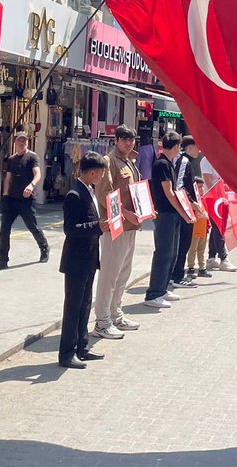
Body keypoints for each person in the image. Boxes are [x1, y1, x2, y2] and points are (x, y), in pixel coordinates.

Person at [92, 125, 143, 339]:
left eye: (131, 139)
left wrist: (143, 210)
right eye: (124, 139)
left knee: (123, 274)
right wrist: (125, 213)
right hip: (116, 226)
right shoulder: (109, 161)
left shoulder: (129, 160)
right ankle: (102, 321)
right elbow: (105, 194)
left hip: (131, 226)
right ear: (116, 140)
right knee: (109, 275)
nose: (129, 143)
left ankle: (115, 314)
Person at [58, 152, 108, 369]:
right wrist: (97, 226)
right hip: (76, 260)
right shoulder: (74, 194)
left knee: (85, 304)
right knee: (73, 307)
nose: (102, 177)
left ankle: (82, 346)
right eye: (101, 173)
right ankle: (66, 354)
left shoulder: (90, 190)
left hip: (89, 257)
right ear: (92, 172)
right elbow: (70, 229)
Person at [0, 131, 50, 269]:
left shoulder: (32, 157)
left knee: (32, 226)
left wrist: (31, 185)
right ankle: (3, 259)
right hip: (11, 199)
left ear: (27, 142)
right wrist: (5, 195)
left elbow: (37, 174)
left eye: (24, 140)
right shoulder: (11, 159)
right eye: (19, 140)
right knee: (4, 229)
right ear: (15, 142)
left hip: (26, 200)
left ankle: (44, 247)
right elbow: (8, 178)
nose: (22, 143)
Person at [145, 132, 191, 309]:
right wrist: (183, 211)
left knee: (172, 252)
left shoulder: (169, 163)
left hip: (172, 214)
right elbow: (169, 192)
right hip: (164, 214)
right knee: (163, 253)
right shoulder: (162, 164)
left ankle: (162, 288)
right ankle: (154, 293)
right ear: (176, 146)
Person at [170, 136, 203, 289]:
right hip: (184, 209)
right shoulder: (183, 161)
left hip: (186, 208)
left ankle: (176, 274)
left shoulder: (185, 161)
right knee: (183, 243)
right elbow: (179, 186)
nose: (200, 151)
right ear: (189, 148)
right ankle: (177, 276)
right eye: (197, 147)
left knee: (184, 243)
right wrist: (191, 203)